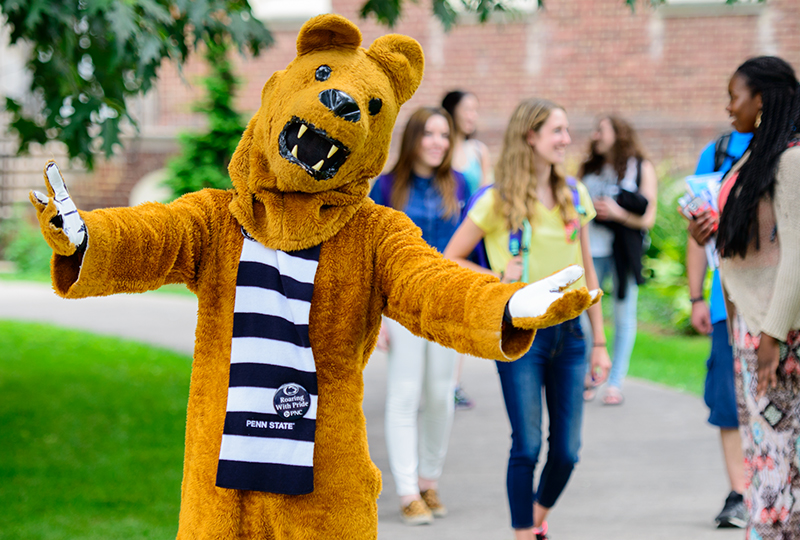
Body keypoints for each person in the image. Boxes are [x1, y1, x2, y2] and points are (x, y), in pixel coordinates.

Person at [443, 98, 611, 540]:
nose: (566, 140)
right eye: (557, 131)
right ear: (530, 136)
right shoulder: (497, 201)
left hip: (571, 336)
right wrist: (498, 277)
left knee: (568, 451)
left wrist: (600, 343)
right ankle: (524, 532)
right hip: (522, 336)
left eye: (566, 130)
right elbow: (452, 258)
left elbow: (588, 272)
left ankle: (534, 519)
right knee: (528, 445)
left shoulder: (575, 195)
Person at [688, 56, 800, 538]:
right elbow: (758, 241)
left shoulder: (792, 159)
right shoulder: (760, 155)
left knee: (778, 452)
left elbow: (796, 254)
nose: (729, 106)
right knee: (762, 453)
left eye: (735, 95)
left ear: (762, 99)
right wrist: (707, 233)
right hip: (747, 327)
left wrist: (774, 334)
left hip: (777, 333)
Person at [369, 106, 469, 526]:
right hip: (402, 305)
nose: (437, 143)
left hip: (446, 305)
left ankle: (430, 481)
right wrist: (374, 318)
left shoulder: (460, 183)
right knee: (405, 395)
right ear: (412, 138)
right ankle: (408, 491)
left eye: (444, 135)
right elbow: (369, 254)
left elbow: (470, 246)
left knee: (440, 396)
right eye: (429, 134)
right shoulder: (387, 187)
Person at [686, 129, 752, 528]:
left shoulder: (788, 149)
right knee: (729, 400)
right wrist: (696, 296)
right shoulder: (718, 152)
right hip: (726, 303)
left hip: (777, 303)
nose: (730, 108)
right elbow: (698, 234)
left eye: (736, 97)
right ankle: (739, 492)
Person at [577, 115, 658, 405]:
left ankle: (615, 383)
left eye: (601, 130)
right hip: (592, 249)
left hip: (624, 251)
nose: (596, 135)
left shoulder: (640, 167)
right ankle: (591, 373)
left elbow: (648, 216)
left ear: (619, 133)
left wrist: (617, 213)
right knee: (584, 315)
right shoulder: (590, 168)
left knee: (624, 316)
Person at [442, 89, 493, 410]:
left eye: (477, 109)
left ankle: (453, 381)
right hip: (444, 233)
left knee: (460, 308)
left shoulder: (479, 151)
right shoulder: (441, 145)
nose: (473, 115)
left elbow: (487, 193)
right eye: (468, 109)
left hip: (471, 237)